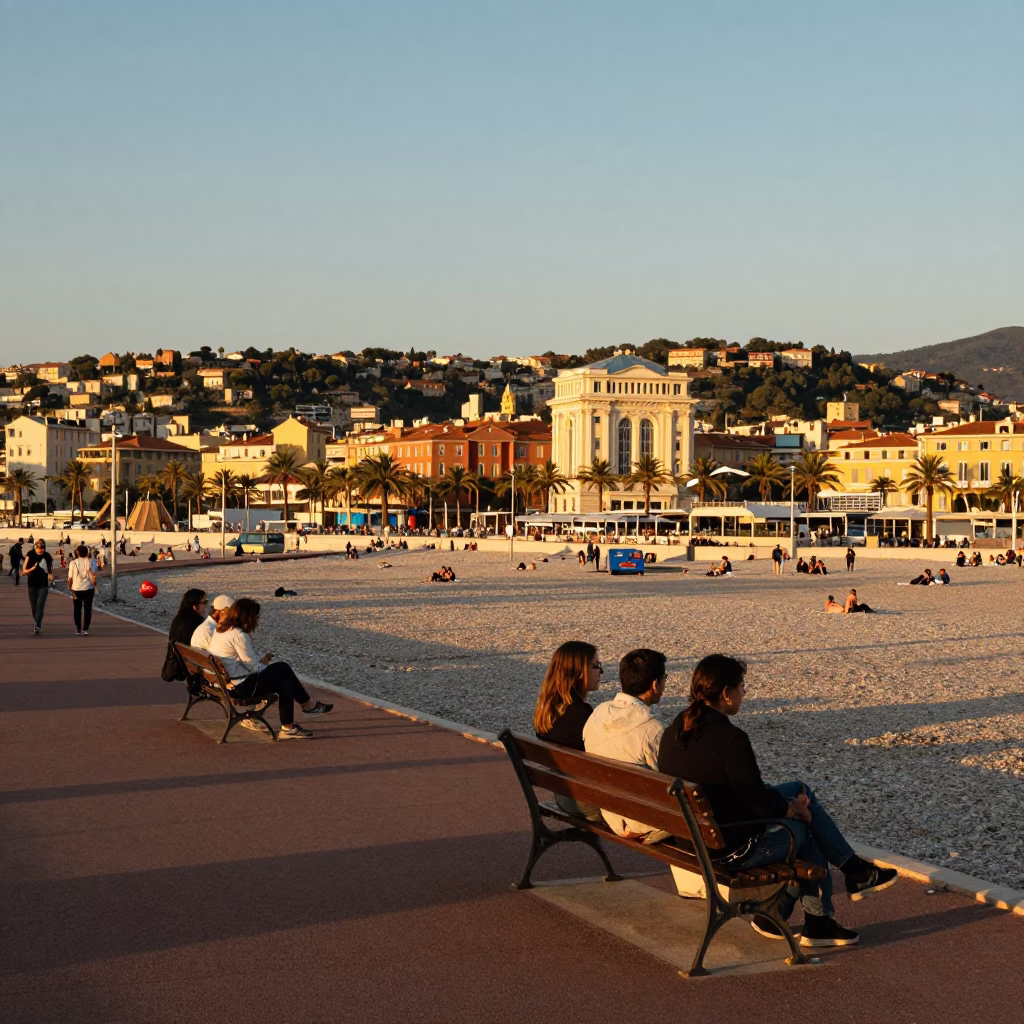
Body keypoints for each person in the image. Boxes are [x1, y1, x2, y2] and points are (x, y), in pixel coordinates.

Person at [657, 654, 897, 946]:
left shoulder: (675, 731)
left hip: (690, 838)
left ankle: (846, 879)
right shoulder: (730, 738)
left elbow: (743, 792)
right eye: (742, 686)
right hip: (728, 848)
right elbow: (755, 803)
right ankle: (814, 911)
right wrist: (791, 810)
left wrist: (790, 803)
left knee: (800, 789)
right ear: (725, 693)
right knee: (807, 828)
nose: (744, 692)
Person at [208, 598, 333, 739]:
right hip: (241, 688)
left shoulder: (221, 630)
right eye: (256, 617)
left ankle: (296, 720)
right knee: (283, 672)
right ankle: (304, 709)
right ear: (247, 618)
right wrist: (265, 662)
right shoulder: (239, 636)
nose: (257, 620)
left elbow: (243, 662)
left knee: (284, 676)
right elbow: (254, 668)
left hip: (225, 682)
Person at [582, 648, 670, 843]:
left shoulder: (598, 713)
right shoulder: (652, 729)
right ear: (655, 684)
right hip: (644, 823)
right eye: (664, 678)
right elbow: (669, 779)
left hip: (613, 814)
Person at [533, 641, 604, 821]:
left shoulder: (546, 712)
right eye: (595, 666)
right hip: (588, 803)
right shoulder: (581, 714)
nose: (601, 672)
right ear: (578, 672)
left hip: (564, 797)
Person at [24, 539, 54, 634]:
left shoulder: (47, 556)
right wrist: (33, 568)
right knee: (34, 607)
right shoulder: (30, 554)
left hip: (43, 585)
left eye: (42, 547)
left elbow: (51, 570)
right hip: (32, 584)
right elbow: (24, 570)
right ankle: (37, 621)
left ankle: (37, 624)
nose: (40, 549)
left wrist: (51, 576)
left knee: (40, 606)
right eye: (38, 547)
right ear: (35, 546)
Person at [67, 544, 98, 635]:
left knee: (77, 608)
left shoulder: (73, 563)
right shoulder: (91, 561)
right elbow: (94, 574)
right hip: (89, 588)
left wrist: (69, 587)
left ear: (78, 552)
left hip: (76, 588)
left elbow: (70, 578)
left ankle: (78, 628)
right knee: (88, 609)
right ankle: (85, 629)